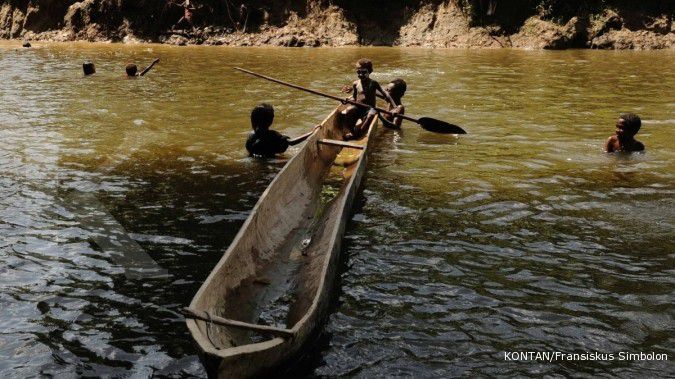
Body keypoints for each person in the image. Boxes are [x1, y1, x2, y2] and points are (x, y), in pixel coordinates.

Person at [340, 58, 396, 139]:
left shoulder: (373, 83)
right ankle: (352, 132)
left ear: (369, 72)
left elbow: (385, 94)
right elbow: (354, 98)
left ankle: (360, 134)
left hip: (370, 108)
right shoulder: (355, 84)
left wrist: (394, 107)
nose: (361, 75)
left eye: (364, 72)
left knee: (371, 115)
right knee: (349, 110)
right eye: (358, 72)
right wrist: (347, 101)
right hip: (358, 108)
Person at [246, 103, 318, 158]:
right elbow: (292, 142)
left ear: (252, 121)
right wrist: (312, 132)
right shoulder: (273, 136)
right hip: (272, 160)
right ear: (271, 121)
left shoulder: (250, 137)